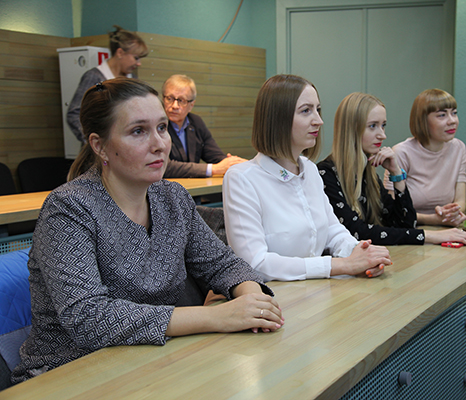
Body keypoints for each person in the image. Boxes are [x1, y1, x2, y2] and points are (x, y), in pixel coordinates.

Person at [12, 78, 282, 384]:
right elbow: (88, 317)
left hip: (150, 363)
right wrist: (217, 316)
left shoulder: (172, 198)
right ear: (99, 145)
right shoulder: (68, 208)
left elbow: (223, 264)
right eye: (138, 131)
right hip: (69, 375)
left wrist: (252, 302)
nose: (160, 144)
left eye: (162, 128)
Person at [223, 74, 392, 282]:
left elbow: (332, 230)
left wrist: (361, 253)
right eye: (306, 111)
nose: (319, 121)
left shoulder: (310, 170)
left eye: (317, 110)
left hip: (317, 293)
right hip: (275, 298)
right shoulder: (241, 179)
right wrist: (340, 265)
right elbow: (255, 264)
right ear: (278, 118)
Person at [318, 92, 466, 246]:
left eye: (383, 126)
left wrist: (396, 174)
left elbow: (404, 223)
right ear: (352, 130)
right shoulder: (325, 173)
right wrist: (429, 235)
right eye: (373, 126)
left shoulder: (367, 173)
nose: (382, 135)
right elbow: (357, 232)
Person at [384, 88, 466, 227]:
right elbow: (391, 210)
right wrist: (433, 219)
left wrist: (452, 212)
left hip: (446, 227)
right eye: (442, 115)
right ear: (423, 120)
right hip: (410, 229)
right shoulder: (402, 152)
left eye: (454, 113)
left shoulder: (458, 148)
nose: (452, 121)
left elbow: (460, 201)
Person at [67, 25, 148, 143]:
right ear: (120, 53)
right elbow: (74, 114)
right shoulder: (96, 78)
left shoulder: (133, 79)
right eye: (136, 58)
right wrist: (95, 141)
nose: (139, 63)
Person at [162, 74, 247, 178]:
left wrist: (232, 163)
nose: (175, 106)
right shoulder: (157, 125)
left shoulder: (195, 122)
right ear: (163, 99)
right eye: (170, 99)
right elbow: (165, 167)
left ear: (191, 105)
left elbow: (214, 155)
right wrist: (213, 169)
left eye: (181, 100)